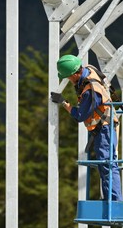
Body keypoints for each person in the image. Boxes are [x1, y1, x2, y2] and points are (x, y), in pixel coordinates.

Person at [51, 54, 123, 201]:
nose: (69, 80)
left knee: (107, 165)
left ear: (76, 73)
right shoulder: (90, 69)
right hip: (105, 127)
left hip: (104, 129)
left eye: (69, 77)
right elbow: (107, 85)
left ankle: (115, 202)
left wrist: (64, 102)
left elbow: (80, 115)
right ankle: (113, 200)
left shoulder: (90, 90)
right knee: (107, 165)